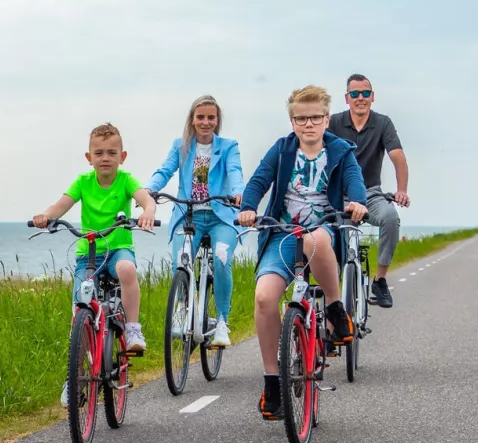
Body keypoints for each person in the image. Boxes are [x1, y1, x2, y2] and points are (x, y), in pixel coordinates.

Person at [237, 86, 368, 420]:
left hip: (323, 230)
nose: (308, 124)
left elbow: (354, 180)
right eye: (301, 118)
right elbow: (258, 182)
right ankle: (272, 382)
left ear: (326, 118)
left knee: (316, 240)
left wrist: (357, 203)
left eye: (315, 118)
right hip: (281, 234)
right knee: (265, 298)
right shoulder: (282, 151)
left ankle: (337, 310)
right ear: (292, 120)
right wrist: (249, 207)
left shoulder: (341, 150)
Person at [32, 122, 157, 369]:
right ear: (89, 158)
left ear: (122, 157)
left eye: (112, 153)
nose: (105, 158)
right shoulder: (83, 182)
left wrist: (148, 212)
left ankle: (132, 329)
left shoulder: (126, 180)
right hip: (88, 254)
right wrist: (45, 216)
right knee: (80, 310)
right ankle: (76, 378)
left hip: (118, 249)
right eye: (99, 153)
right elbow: (61, 205)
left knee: (126, 270)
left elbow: (146, 200)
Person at [146, 94, 244, 348]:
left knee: (221, 259)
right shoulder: (181, 146)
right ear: (192, 119)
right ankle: (182, 309)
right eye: (200, 117)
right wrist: (149, 190)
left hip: (220, 215)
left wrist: (238, 193)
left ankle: (222, 321)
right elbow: (165, 170)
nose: (205, 122)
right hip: (187, 215)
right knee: (181, 262)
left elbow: (234, 172)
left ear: (217, 120)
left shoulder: (228, 146)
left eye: (211, 117)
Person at [327, 74, 407, 308]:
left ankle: (380, 280)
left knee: (391, 217)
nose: (360, 98)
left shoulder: (383, 123)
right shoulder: (334, 123)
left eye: (364, 93)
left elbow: (397, 156)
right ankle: (330, 287)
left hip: (371, 193)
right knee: (323, 232)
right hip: (338, 196)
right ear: (347, 98)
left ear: (372, 97)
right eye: (354, 94)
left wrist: (402, 190)